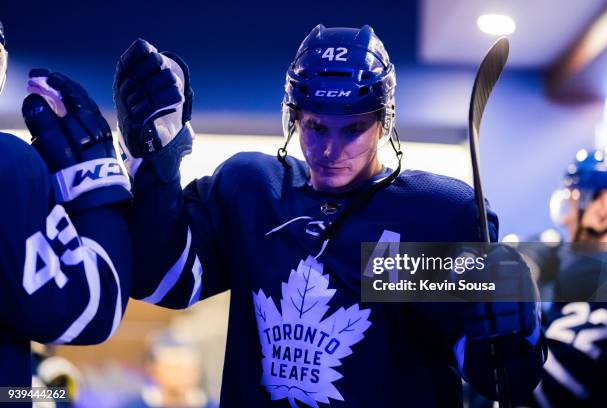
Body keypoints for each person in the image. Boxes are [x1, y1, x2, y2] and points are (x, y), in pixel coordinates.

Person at [114, 25, 545, 407]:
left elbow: (503, 379)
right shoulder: (253, 190)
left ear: (384, 122)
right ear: (294, 118)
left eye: (353, 129)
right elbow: (160, 280)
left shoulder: (436, 213)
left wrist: (517, 329)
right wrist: (155, 166)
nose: (331, 150)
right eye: (317, 127)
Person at [0, 19, 133, 387]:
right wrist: (96, 179)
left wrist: (44, 397)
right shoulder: (7, 164)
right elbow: (93, 306)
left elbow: (10, 392)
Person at [530, 149, 607, 407]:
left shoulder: (598, 278)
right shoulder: (581, 265)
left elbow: (548, 389)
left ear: (602, 207)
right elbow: (542, 250)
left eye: (574, 203)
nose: (566, 218)